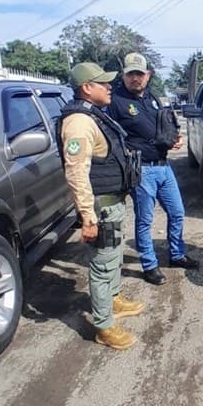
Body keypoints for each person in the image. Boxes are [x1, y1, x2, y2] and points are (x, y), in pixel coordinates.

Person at [57, 62, 145, 350]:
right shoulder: (79, 123)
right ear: (86, 88)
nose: (110, 86)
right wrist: (88, 217)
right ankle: (104, 325)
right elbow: (77, 172)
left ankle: (114, 299)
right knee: (102, 265)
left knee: (114, 257)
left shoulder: (92, 115)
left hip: (112, 202)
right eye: (102, 83)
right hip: (101, 207)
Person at [108, 52, 198, 286]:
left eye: (139, 74)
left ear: (147, 75)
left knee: (177, 212)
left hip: (163, 166)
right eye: (131, 75)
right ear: (124, 76)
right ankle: (149, 265)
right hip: (142, 170)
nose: (135, 78)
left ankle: (177, 254)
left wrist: (174, 139)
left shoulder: (153, 98)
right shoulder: (115, 101)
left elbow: (163, 125)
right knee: (145, 220)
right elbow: (110, 137)